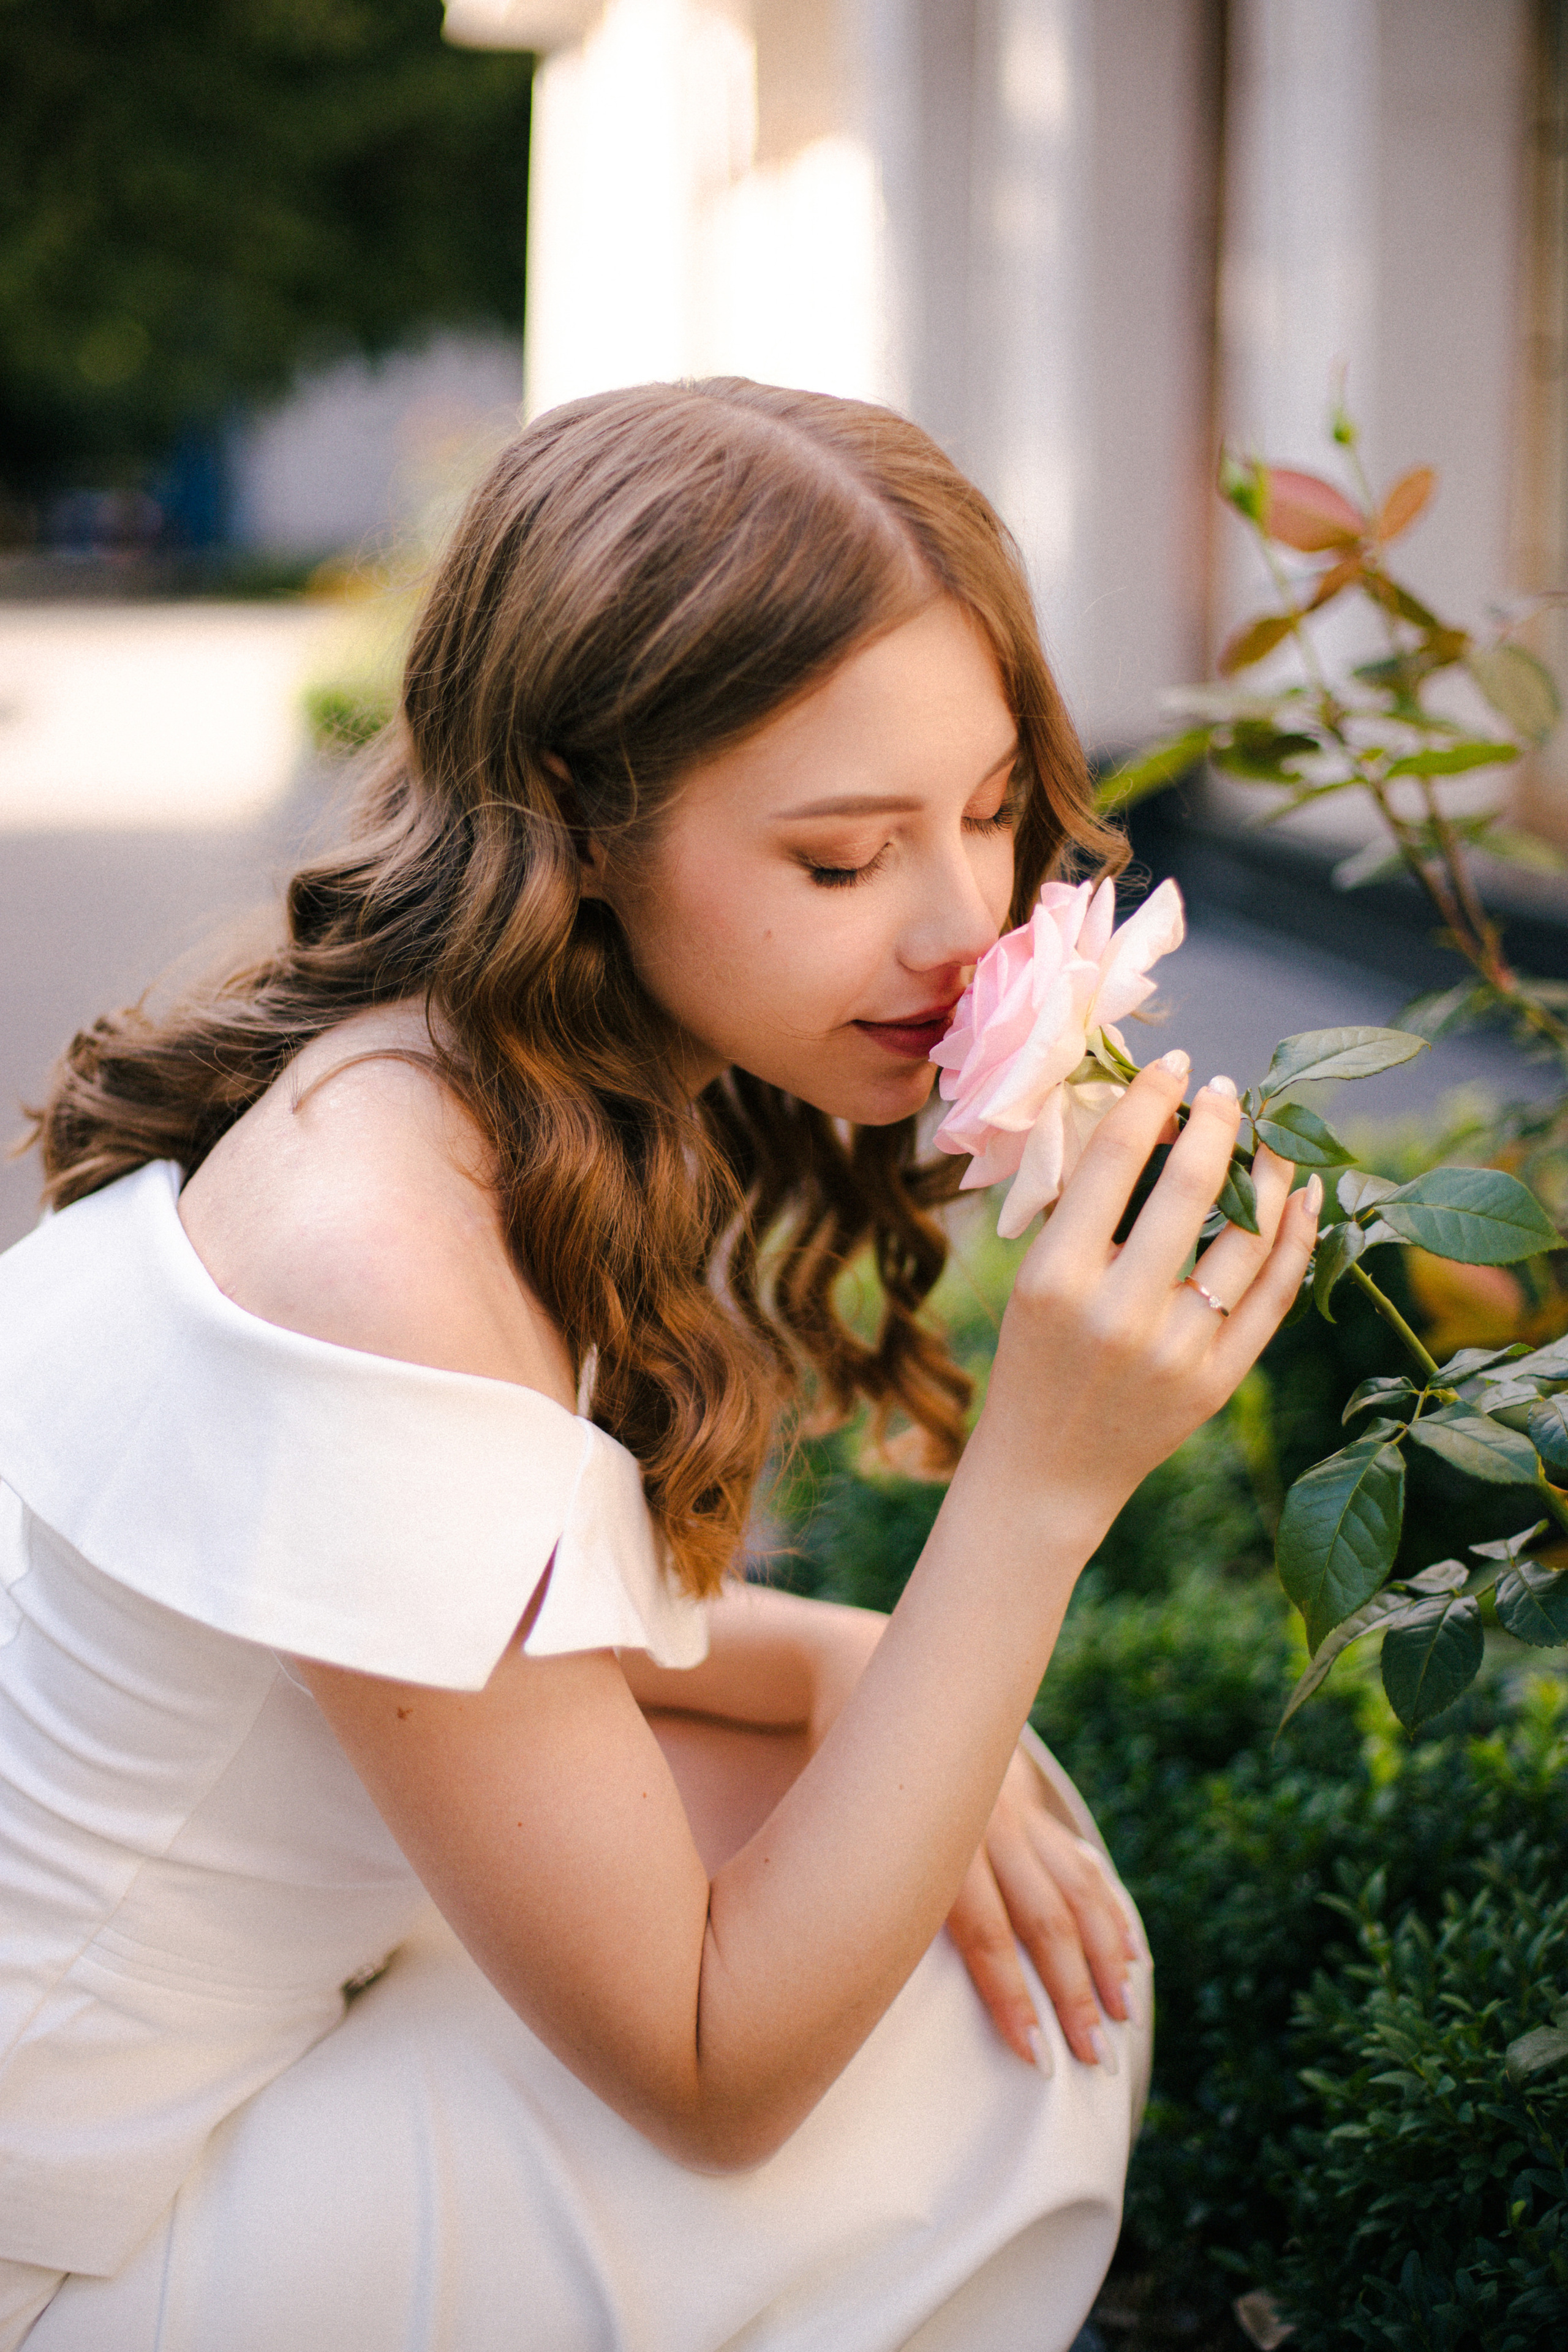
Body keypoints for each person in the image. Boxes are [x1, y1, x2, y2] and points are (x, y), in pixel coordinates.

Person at [0, 379, 1317, 2352]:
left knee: (899, 1802)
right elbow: (716, 2076)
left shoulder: (441, 1080)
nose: (966, 927)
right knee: (979, 2018)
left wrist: (838, 1657)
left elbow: (449, 1640)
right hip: (59, 2247)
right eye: (840, 858)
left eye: (984, 813)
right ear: (580, 819)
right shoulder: (386, 1248)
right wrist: (1041, 1486)